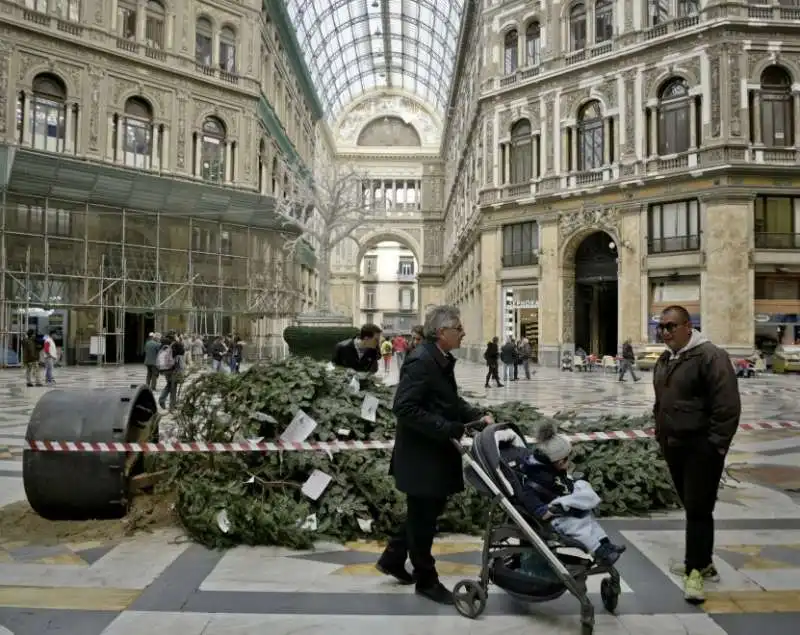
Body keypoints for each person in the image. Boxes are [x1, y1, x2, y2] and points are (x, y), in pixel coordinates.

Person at [376, 305, 494, 604]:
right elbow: (404, 407)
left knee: (423, 513)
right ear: (442, 332)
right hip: (422, 457)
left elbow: (447, 400)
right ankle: (426, 579)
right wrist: (447, 428)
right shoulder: (421, 361)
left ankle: (392, 558)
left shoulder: (438, 358)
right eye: (459, 328)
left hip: (433, 453)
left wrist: (474, 415)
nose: (464, 332)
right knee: (424, 518)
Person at [652, 305, 740, 604]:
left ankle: (694, 572)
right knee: (695, 507)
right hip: (674, 446)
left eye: (670, 326)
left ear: (688, 326)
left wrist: (715, 445)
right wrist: (660, 432)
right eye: (661, 327)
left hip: (701, 448)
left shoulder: (711, 356)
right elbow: (661, 401)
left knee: (698, 509)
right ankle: (704, 562)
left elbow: (727, 406)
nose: (665, 332)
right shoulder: (667, 359)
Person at [502, 422, 626, 566]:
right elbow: (529, 498)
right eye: (566, 459)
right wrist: (543, 510)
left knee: (591, 523)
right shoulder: (534, 480)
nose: (568, 462)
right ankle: (601, 552)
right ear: (557, 461)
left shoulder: (552, 470)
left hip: (566, 506)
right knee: (581, 529)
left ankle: (607, 545)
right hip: (556, 516)